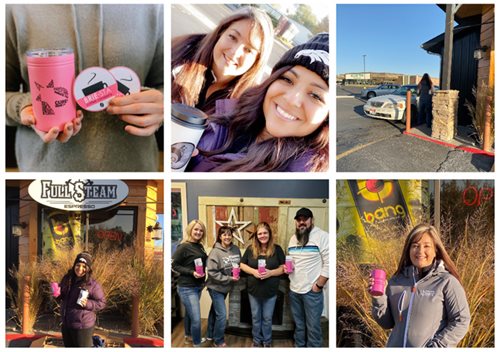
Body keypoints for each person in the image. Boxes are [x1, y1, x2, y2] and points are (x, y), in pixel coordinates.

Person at [6, 4, 163, 171]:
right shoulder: (16, 8)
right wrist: (25, 107)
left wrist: (161, 105)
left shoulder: (154, 7)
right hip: (46, 180)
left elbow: (173, 91)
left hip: (134, 174)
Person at [187, 33, 330, 172]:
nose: (291, 99)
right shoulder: (230, 114)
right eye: (287, 80)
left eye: (315, 96)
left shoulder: (298, 177)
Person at [370, 224, 471, 347]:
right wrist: (378, 298)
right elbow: (387, 323)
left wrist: (437, 346)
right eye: (415, 246)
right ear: (408, 249)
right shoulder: (396, 281)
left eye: (426, 246)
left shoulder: (446, 282)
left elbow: (461, 320)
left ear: (436, 250)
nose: (420, 251)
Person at [172, 6, 274, 115]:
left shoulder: (248, 105)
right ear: (221, 32)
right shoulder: (177, 55)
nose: (235, 52)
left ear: (257, 61)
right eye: (232, 37)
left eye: (248, 50)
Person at [286, 208, 329, 347]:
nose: (301, 222)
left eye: (305, 219)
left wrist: (318, 286)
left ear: (312, 220)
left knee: (313, 328)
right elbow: (291, 262)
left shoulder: (323, 236)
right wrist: (288, 268)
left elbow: (329, 263)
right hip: (294, 290)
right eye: (299, 220)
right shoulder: (293, 239)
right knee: (299, 326)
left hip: (312, 292)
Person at [240, 222, 285, 347]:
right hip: (253, 291)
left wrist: (271, 273)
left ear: (269, 234)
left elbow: (283, 268)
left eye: (265, 233)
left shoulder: (277, 249)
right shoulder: (250, 249)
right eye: (260, 233)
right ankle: (256, 341)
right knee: (255, 317)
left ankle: (267, 341)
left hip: (270, 291)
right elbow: (242, 265)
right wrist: (254, 271)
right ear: (256, 235)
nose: (262, 235)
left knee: (267, 318)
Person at [172, 220, 208, 347]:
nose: (198, 232)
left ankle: (189, 336)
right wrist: (191, 272)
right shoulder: (183, 246)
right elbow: (174, 265)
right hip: (187, 288)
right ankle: (197, 344)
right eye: (196, 229)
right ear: (190, 230)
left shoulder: (200, 246)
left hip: (198, 286)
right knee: (197, 319)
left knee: (189, 313)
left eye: (201, 230)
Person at [59, 252, 105, 347]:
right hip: (67, 324)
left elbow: (102, 303)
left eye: (84, 266)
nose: (80, 269)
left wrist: (87, 303)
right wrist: (57, 294)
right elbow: (63, 296)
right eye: (78, 265)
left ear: (88, 269)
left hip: (82, 327)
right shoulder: (67, 279)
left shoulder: (93, 284)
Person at [206, 226, 242, 347]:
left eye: (229, 234)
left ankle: (210, 334)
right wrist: (229, 278)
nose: (227, 237)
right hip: (215, 287)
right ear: (220, 236)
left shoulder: (236, 249)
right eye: (224, 235)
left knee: (214, 311)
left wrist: (237, 274)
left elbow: (238, 264)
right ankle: (218, 340)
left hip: (227, 286)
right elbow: (212, 272)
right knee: (221, 315)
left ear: (232, 236)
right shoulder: (215, 252)